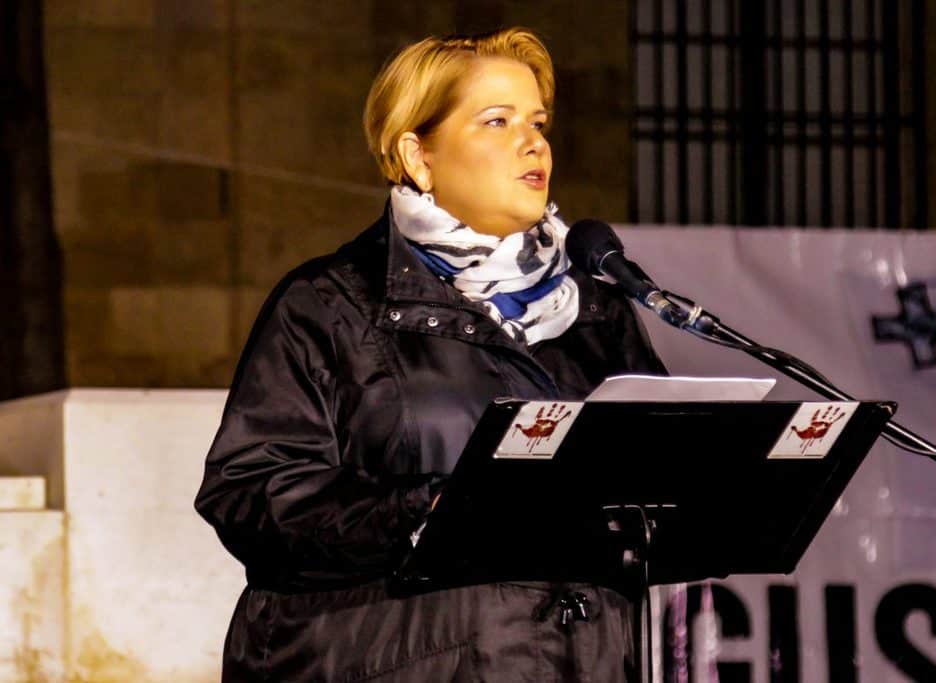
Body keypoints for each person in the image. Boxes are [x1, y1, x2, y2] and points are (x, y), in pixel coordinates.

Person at [195, 27, 666, 682]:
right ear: (418, 155)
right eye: (497, 121)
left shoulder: (595, 310)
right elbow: (250, 493)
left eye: (537, 123)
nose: (533, 143)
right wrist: (426, 509)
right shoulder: (331, 304)